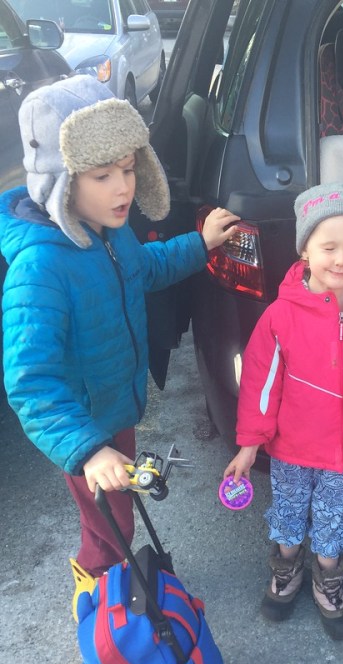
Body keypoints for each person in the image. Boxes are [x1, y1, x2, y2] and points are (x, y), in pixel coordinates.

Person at [1, 75, 239, 617]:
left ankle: (111, 580)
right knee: (112, 522)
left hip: (118, 408)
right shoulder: (40, 268)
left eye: (129, 169)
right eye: (103, 174)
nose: (123, 188)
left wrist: (199, 245)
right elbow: (30, 382)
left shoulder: (111, 232)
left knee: (118, 512)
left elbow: (144, 269)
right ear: (62, 180)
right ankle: (98, 594)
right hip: (85, 428)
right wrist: (87, 450)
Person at [223, 183, 343, 640]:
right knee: (288, 515)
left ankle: (329, 582)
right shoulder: (280, 317)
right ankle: (286, 572)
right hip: (290, 448)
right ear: (305, 249)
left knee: (334, 522)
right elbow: (260, 387)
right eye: (328, 247)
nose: (341, 259)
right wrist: (249, 445)